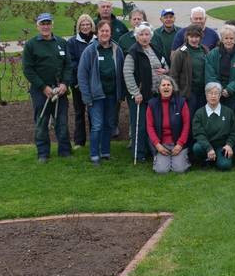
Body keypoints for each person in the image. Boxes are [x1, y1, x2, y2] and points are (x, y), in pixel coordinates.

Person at [22, 12, 72, 162]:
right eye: (42, 24)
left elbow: (68, 66)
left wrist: (64, 83)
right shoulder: (31, 45)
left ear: (52, 24)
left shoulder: (62, 42)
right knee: (42, 122)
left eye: (48, 23)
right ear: (37, 26)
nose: (45, 26)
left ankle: (65, 151)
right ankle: (43, 153)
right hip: (40, 91)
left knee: (62, 122)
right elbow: (28, 69)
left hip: (60, 90)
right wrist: (43, 87)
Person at [78, 19, 125, 164]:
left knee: (108, 124)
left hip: (112, 95)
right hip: (95, 96)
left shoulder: (117, 50)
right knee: (97, 125)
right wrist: (86, 96)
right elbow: (82, 75)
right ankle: (94, 154)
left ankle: (105, 152)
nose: (104, 33)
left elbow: (122, 72)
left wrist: (121, 93)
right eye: (102, 31)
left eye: (107, 31)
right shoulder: (90, 50)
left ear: (110, 33)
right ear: (97, 33)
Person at [123, 23, 169, 162]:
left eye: (147, 34)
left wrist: (165, 70)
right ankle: (139, 153)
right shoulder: (133, 52)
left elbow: (165, 64)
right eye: (141, 34)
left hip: (155, 94)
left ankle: (151, 150)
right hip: (140, 96)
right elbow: (127, 73)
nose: (144, 37)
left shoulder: (155, 48)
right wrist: (136, 92)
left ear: (151, 36)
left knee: (154, 124)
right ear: (136, 37)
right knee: (140, 125)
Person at [145, 76, 191, 174]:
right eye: (163, 85)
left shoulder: (181, 102)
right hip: (162, 144)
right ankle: (159, 159)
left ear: (173, 88)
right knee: (161, 171)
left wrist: (180, 144)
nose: (166, 87)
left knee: (179, 170)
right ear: (158, 88)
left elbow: (186, 125)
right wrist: (157, 145)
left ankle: (183, 158)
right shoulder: (152, 104)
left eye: (169, 85)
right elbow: (150, 127)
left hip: (178, 144)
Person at [205, 24, 235, 110]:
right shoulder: (212, 54)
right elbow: (210, 74)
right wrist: (218, 89)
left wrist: (229, 90)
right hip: (215, 94)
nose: (229, 41)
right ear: (222, 39)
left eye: (231, 38)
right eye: (226, 38)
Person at [191, 82, 235, 170]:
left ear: (220, 95)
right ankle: (206, 160)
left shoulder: (228, 112)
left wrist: (229, 145)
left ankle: (216, 159)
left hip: (222, 146)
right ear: (206, 95)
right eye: (210, 93)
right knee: (197, 148)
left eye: (216, 93)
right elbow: (198, 134)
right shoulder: (199, 113)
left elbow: (234, 131)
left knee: (225, 166)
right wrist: (209, 148)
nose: (213, 96)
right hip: (206, 146)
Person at [66, 13, 95, 146]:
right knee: (79, 112)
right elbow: (71, 62)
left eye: (87, 24)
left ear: (91, 25)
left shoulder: (97, 40)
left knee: (93, 113)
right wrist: (81, 76)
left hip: (94, 83)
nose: (85, 27)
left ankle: (95, 139)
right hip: (78, 83)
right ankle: (79, 141)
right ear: (79, 26)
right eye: (82, 25)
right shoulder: (72, 42)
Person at [169, 24, 209, 113]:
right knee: (190, 118)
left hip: (203, 92)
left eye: (197, 36)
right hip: (188, 93)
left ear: (201, 37)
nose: (194, 40)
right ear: (187, 36)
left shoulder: (205, 50)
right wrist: (176, 93)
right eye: (191, 36)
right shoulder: (180, 52)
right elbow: (173, 74)